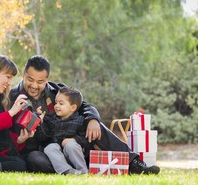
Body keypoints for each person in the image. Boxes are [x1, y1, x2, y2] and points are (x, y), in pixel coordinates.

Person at [9, 55, 160, 175]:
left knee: (95, 127)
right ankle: (78, 169)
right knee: (36, 159)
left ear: (47, 79)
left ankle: (134, 163)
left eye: (40, 81)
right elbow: (9, 132)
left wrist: (93, 119)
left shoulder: (58, 89)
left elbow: (85, 105)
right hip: (45, 148)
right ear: (23, 75)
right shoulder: (12, 97)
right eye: (30, 80)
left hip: (73, 143)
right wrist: (22, 138)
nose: (34, 85)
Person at [40, 86, 89, 175]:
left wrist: (75, 139)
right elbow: (46, 135)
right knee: (50, 148)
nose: (56, 106)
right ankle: (68, 171)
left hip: (74, 155)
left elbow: (86, 139)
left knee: (71, 145)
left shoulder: (80, 121)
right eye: (56, 102)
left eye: (61, 103)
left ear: (73, 107)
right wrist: (41, 121)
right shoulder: (52, 119)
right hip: (58, 157)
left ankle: (83, 171)